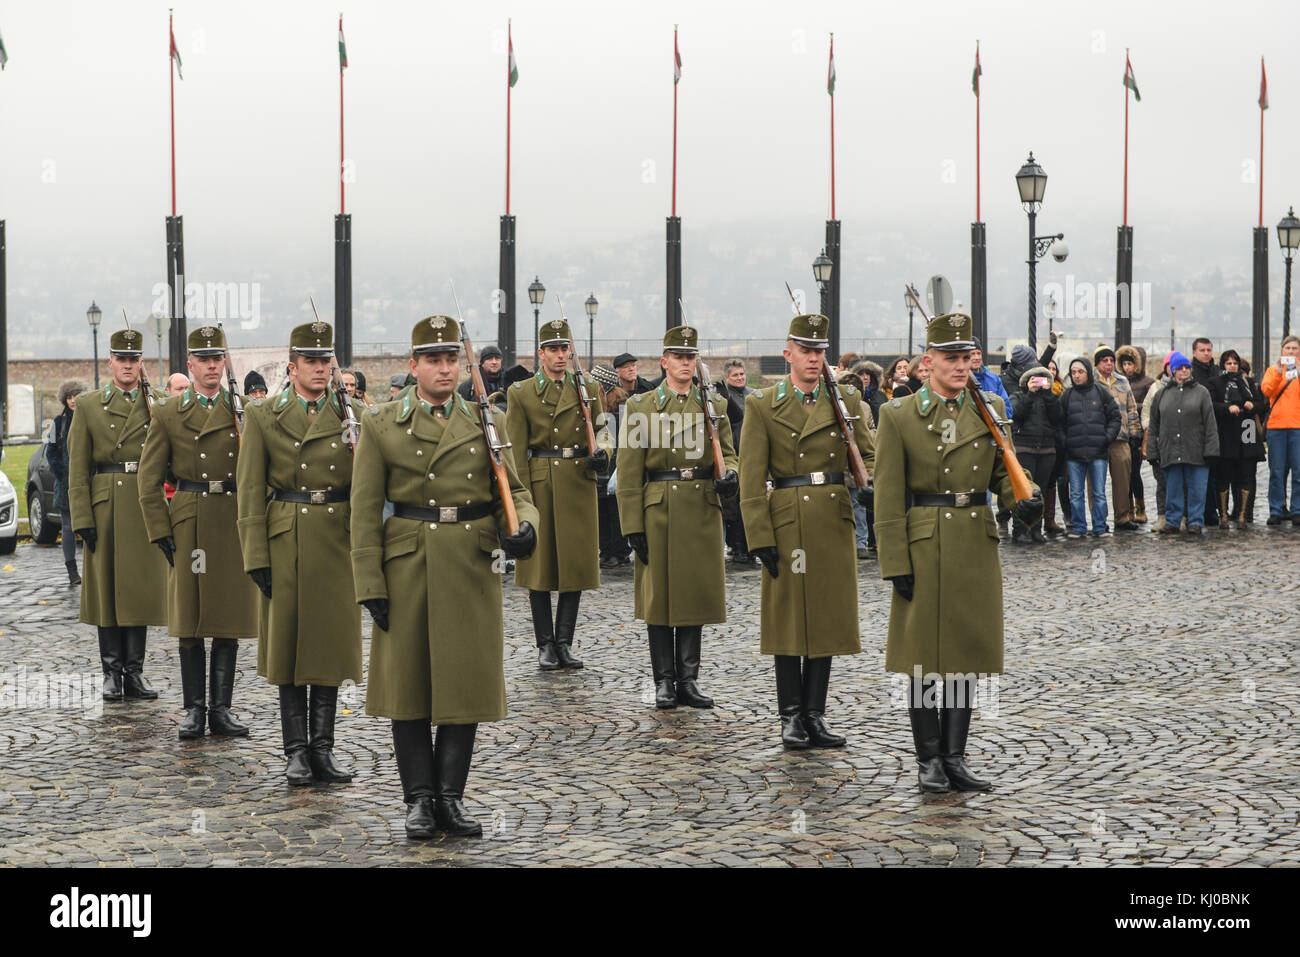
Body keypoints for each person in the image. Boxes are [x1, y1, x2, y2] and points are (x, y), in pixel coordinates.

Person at [350, 315, 538, 839]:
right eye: (432, 359)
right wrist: (369, 582)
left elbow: (515, 492)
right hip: (407, 563)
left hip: (469, 562)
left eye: (451, 359)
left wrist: (525, 529)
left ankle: (450, 798)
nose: (443, 368)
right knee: (407, 686)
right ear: (412, 366)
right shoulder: (382, 423)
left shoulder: (486, 419)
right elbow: (365, 511)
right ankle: (418, 801)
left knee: (465, 683)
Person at [875, 312, 1040, 792]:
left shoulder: (986, 407)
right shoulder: (898, 415)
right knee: (924, 656)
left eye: (965, 357)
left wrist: (1021, 501)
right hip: (923, 540)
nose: (960, 366)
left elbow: (997, 474)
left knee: (966, 653)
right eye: (950, 358)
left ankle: (954, 756)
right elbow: (887, 495)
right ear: (928, 362)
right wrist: (894, 561)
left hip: (973, 540)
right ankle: (928, 759)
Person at [235, 322, 365, 786]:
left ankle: (323, 748)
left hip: (336, 537)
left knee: (328, 644)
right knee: (288, 647)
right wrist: (255, 556)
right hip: (285, 537)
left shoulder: (353, 417)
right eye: (310, 361)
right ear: (292, 367)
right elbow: (249, 490)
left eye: (325, 361)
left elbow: (367, 489)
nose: (319, 368)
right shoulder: (265, 415)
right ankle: (295, 750)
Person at [739, 313, 875, 750]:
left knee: (826, 618)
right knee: (788, 621)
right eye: (806, 351)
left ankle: (815, 713)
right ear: (788, 354)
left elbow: (870, 456)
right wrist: (759, 536)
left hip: (833, 518)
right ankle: (790, 716)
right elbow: (751, 477)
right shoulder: (763, 403)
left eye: (819, 352)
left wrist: (871, 486)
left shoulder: (847, 401)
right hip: (786, 518)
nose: (814, 359)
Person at [138, 326, 259, 738]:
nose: (211, 366)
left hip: (231, 517)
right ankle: (194, 709)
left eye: (217, 359)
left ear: (224, 363)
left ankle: (221, 709)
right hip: (188, 520)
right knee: (190, 617)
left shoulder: (242, 410)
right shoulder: (170, 413)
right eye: (203, 360)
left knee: (228, 615)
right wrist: (160, 529)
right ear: (190, 365)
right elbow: (148, 478)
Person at [617, 326, 738, 710]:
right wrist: (632, 525)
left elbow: (731, 453)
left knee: (694, 596)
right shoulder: (642, 407)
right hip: (660, 508)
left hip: (701, 504)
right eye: (678, 357)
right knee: (660, 599)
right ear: (664, 362)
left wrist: (731, 475)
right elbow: (630, 470)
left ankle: (688, 679)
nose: (686, 363)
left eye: (691, 357)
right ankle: (664, 681)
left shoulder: (712, 405)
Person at [68, 330, 169, 702]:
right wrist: (82, 518)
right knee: (108, 591)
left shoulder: (154, 403)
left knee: (138, 589)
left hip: (142, 501)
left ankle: (134, 671)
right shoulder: (91, 405)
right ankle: (111, 671)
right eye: (121, 359)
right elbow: (77, 468)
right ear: (110, 362)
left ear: (141, 363)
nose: (128, 366)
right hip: (106, 502)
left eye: (134, 360)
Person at [507, 318, 606, 670]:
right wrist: (519, 499)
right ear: (541, 354)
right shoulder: (521, 393)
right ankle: (545, 644)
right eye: (553, 350)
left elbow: (602, 427)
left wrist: (604, 452)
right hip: (540, 482)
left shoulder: (587, 386)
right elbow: (516, 450)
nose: (560, 355)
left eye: (565, 349)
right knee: (540, 567)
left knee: (574, 565)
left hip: (578, 480)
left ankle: (565, 642)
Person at [1148, 352, 1219, 535]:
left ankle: (1195, 521)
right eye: (1180, 368)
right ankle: (1172, 521)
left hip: (1196, 450)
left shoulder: (1202, 392)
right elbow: (1154, 425)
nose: (1184, 371)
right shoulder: (1162, 394)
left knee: (1197, 489)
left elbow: (1210, 423)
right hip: (1170, 450)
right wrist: (1152, 451)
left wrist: (1211, 450)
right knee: (1173, 489)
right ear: (1173, 371)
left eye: (1187, 367)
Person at [1060, 357, 1121, 538]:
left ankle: (1100, 527)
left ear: (1087, 372)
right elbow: (1058, 423)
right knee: (1076, 494)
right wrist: (1066, 442)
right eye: (1073, 373)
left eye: (1080, 372)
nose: (1077, 376)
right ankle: (1079, 527)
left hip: (1098, 452)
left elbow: (1115, 418)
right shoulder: (1067, 396)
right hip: (1074, 453)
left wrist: (1106, 438)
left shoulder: (1101, 393)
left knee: (1099, 493)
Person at [1209, 349, 1267, 529]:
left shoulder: (1247, 382)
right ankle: (1224, 515)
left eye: (1235, 363)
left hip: (1247, 430)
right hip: (1227, 432)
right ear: (1223, 365)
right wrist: (1227, 408)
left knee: (1247, 473)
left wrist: (1252, 405)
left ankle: (1243, 514)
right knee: (1224, 475)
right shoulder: (1215, 383)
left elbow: (1261, 404)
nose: (1232, 366)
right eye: (1229, 363)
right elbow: (1212, 405)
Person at [1009, 365, 1063, 543]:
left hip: (1047, 450)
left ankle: (1036, 530)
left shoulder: (1051, 398)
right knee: (1024, 490)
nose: (1038, 382)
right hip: (1024, 449)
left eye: (1042, 379)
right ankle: (1020, 529)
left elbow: (1058, 417)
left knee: (1041, 491)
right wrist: (1030, 394)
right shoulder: (1018, 396)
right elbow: (1017, 414)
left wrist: (1048, 394)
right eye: (1034, 379)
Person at [1092, 346, 1140, 531]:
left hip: (1120, 437)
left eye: (1111, 360)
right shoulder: (1091, 381)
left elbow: (1132, 408)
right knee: (1096, 484)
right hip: (1097, 438)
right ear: (1097, 363)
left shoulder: (1122, 381)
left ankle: (1122, 517)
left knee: (1122, 481)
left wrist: (1135, 433)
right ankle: (1099, 519)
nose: (1109, 364)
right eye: (1105, 360)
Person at [715, 359, 757, 565]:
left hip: (753, 454)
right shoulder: (721, 397)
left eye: (742, 374)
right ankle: (738, 546)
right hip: (734, 453)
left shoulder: (755, 394)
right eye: (735, 375)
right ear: (727, 377)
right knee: (735, 506)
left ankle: (751, 545)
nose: (740, 378)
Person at [590, 364, 631, 568]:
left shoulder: (622, 403)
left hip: (615, 460)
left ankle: (619, 550)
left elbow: (627, 436)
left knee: (614, 510)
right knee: (602, 509)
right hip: (601, 459)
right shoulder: (593, 402)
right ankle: (606, 551)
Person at [48, 380, 85, 585]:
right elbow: (50, 452)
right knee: (68, 527)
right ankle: (72, 572)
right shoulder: (57, 422)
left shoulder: (89, 419)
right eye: (69, 397)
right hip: (65, 484)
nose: (72, 401)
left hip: (87, 483)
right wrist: (63, 474)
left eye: (76, 396)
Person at [1261, 335, 1300, 524]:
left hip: (1297, 427)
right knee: (1276, 471)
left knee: (1299, 472)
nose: (1291, 352)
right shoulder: (1272, 370)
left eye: (1294, 348)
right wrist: (1278, 372)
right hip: (1276, 427)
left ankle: (1297, 509)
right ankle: (1276, 509)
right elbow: (1267, 391)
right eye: (1288, 349)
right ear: (1282, 351)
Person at [1117, 346, 1154, 523]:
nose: (1127, 368)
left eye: (1130, 364)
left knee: (1135, 474)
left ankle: (1141, 508)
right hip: (1124, 433)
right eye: (1124, 364)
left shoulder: (1148, 383)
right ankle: (1129, 508)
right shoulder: (1119, 382)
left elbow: (1149, 409)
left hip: (1139, 434)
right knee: (1124, 475)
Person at [1042, 358, 1069, 535]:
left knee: (1057, 481)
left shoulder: (1062, 391)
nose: (1051, 371)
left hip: (1060, 443)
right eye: (1048, 368)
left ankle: (1051, 519)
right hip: (1043, 441)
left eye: (1054, 368)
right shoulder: (1037, 391)